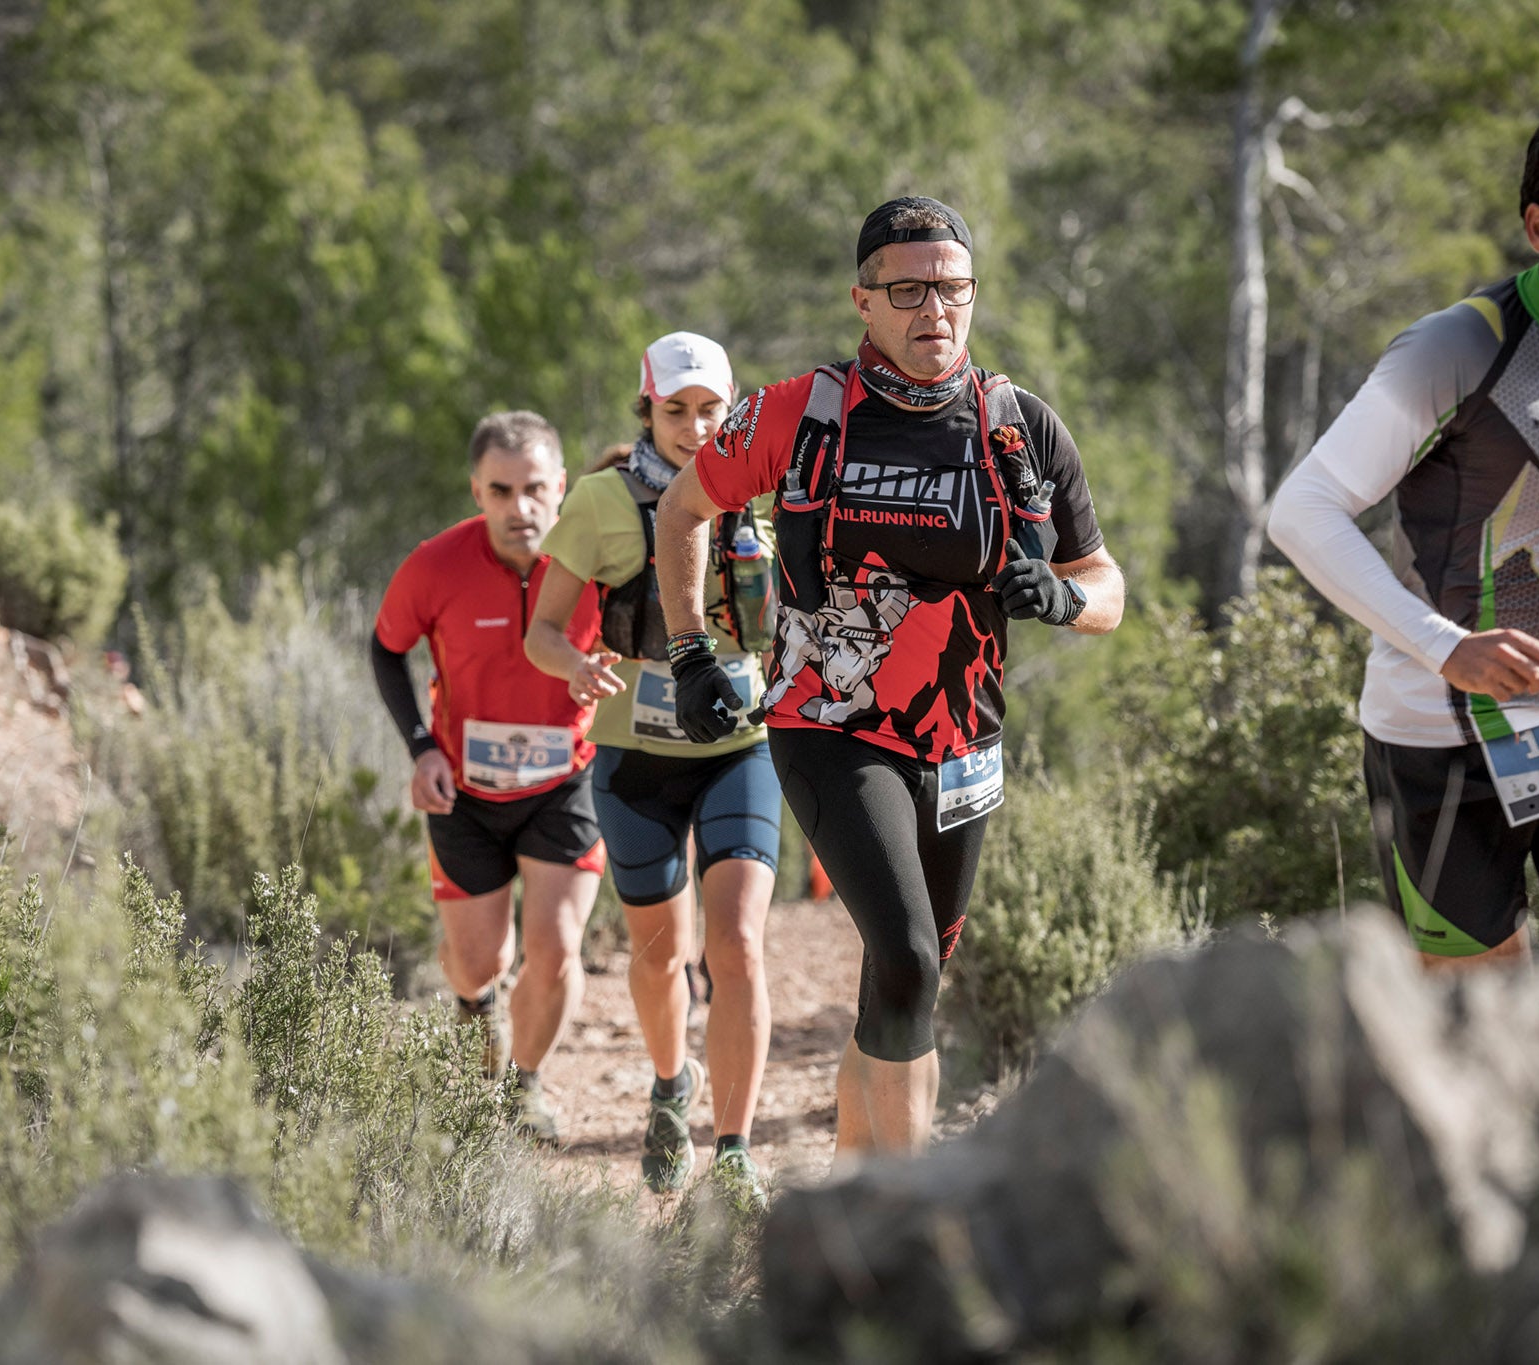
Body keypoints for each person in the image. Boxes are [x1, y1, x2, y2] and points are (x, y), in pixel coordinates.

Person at [652, 197, 1126, 1155]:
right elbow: (681, 508)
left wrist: (1065, 599)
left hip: (964, 743)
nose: (932, 311)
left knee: (908, 978)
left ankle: (850, 1200)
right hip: (829, 721)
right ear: (862, 301)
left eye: (950, 289)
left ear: (972, 296)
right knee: (907, 953)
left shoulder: (1019, 427)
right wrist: (691, 647)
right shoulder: (796, 411)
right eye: (907, 291)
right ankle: (910, 1220)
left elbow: (1106, 584)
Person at [1268, 94, 1539, 1029]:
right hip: (1439, 730)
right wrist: (1444, 647)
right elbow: (1303, 510)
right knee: (1488, 1038)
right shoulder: (1458, 347)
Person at [525, 332, 781, 1201]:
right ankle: (673, 1086)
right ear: (648, 409)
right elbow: (542, 631)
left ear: (734, 408)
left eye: (711, 409)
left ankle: (736, 1150)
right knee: (656, 953)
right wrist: (575, 666)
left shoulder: (765, 488)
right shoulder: (601, 501)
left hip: (742, 748)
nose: (696, 427)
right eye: (676, 410)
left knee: (738, 942)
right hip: (637, 755)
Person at [370, 411, 606, 1142]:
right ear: (476, 490)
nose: (520, 508)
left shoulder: (597, 564)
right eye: (500, 491)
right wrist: (421, 749)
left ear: (561, 487)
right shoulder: (436, 565)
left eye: (535, 488)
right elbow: (386, 649)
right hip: (464, 792)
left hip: (564, 779)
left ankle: (525, 1086)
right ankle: (476, 1014)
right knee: (479, 963)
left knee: (558, 949)